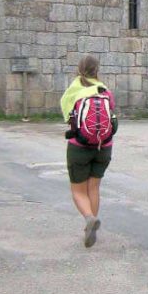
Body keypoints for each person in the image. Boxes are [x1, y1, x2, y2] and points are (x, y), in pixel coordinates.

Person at [60, 55, 114, 248]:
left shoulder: (74, 91)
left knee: (78, 190)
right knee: (94, 188)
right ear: (97, 70)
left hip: (79, 147)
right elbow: (112, 120)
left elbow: (68, 118)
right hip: (103, 147)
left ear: (79, 69)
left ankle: (89, 219)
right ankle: (91, 225)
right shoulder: (105, 91)